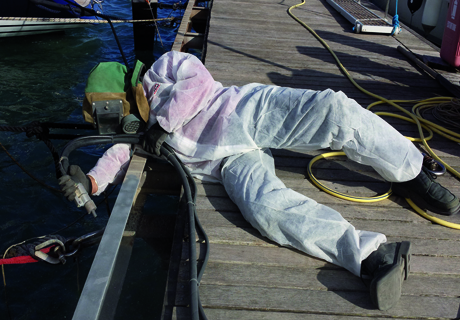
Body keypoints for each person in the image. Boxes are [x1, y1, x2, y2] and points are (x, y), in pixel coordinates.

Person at [59, 51, 459, 311]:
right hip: (230, 162)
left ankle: (411, 171)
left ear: (123, 93)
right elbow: (113, 158)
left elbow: (197, 83)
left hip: (244, 111)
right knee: (265, 210)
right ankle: (373, 256)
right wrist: (90, 184)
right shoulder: (137, 135)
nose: (114, 124)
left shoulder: (166, 66)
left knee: (335, 111)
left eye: (111, 112)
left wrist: (160, 124)